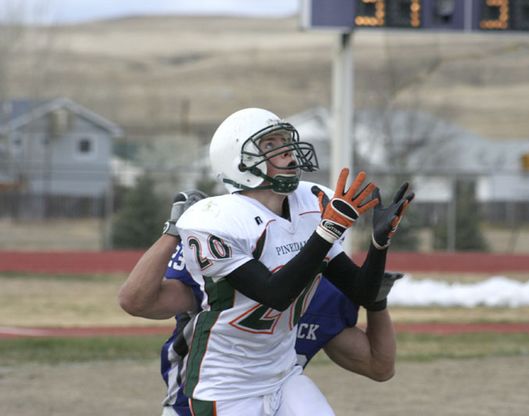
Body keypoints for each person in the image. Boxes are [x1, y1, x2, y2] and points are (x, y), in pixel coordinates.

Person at [120, 107, 413, 416]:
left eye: (286, 142)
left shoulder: (309, 205)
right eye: (271, 145)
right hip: (226, 384)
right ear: (240, 162)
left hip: (282, 374)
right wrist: (328, 230)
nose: (288, 152)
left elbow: (364, 294)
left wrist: (379, 244)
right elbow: (275, 295)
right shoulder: (218, 221)